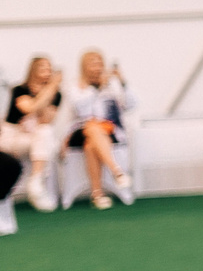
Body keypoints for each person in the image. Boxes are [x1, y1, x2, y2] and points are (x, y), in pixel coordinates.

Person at [63, 49, 135, 210]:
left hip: (109, 130)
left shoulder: (113, 84)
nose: (97, 67)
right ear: (84, 67)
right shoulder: (76, 86)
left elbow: (130, 104)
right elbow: (81, 110)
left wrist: (122, 82)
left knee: (91, 145)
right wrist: (97, 88)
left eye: (99, 63)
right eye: (92, 63)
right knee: (92, 126)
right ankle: (117, 172)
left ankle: (97, 194)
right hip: (80, 130)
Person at [9, 55, 63, 212]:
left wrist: (50, 92)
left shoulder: (56, 94)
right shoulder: (19, 90)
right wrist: (50, 88)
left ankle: (36, 180)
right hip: (15, 137)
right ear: (33, 70)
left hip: (36, 138)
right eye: (43, 68)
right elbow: (29, 108)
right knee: (45, 140)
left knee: (45, 132)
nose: (47, 71)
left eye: (49, 68)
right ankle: (37, 184)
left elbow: (46, 120)